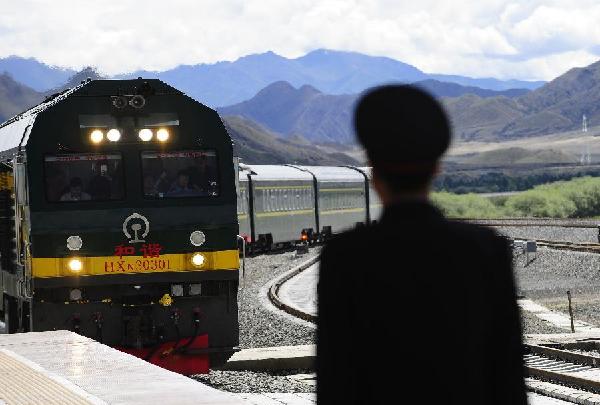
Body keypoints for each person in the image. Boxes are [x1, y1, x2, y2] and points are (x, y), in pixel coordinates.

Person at [317, 85, 526, 404]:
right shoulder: (486, 251)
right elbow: (507, 381)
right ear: (437, 169)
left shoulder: (345, 258)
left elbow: (336, 383)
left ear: (373, 172)